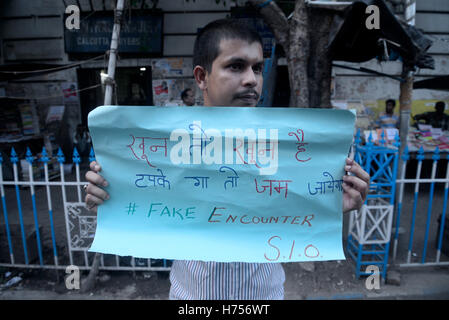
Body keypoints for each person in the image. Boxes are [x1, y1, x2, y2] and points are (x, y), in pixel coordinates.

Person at [84, 19, 370, 300]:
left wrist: (332, 204)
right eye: (236, 66)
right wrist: (110, 199)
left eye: (257, 68)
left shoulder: (287, 147)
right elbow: (143, 210)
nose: (251, 79)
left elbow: (293, 211)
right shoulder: (162, 146)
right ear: (201, 77)